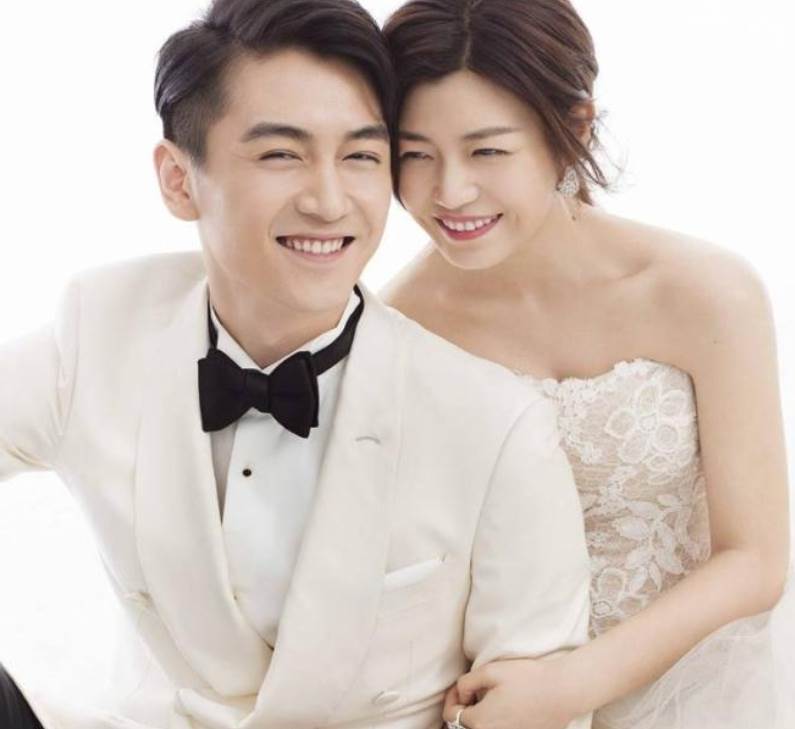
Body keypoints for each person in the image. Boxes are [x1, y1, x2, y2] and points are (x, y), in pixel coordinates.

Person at [0, 0, 595, 727]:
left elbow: (539, 706)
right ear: (179, 180)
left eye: (361, 157)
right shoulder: (102, 328)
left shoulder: (493, 423)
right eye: (281, 154)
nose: (328, 201)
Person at [381, 1, 794, 728]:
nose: (449, 192)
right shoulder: (400, 329)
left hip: (696, 688)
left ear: (571, 130)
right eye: (415, 154)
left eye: (487, 151)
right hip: (498, 699)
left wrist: (574, 685)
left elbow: (755, 559)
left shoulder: (706, 293)